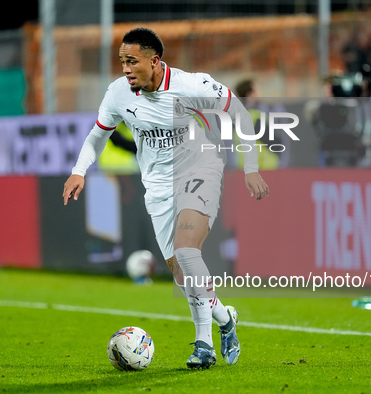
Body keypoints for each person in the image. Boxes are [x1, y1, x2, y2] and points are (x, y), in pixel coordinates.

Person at [63, 28, 269, 369]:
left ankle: (203, 345)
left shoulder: (193, 86)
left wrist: (250, 167)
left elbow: (240, 114)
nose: (125, 69)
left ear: (155, 61)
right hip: (157, 186)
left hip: (199, 172)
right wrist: (79, 169)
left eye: (132, 62)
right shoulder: (118, 94)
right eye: (121, 62)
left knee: (188, 252)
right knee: (182, 276)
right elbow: (98, 134)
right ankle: (225, 318)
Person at [234, 79, 279, 170]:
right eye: (257, 89)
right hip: (263, 169)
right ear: (249, 94)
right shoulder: (254, 116)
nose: (260, 92)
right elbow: (275, 142)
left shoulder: (238, 115)